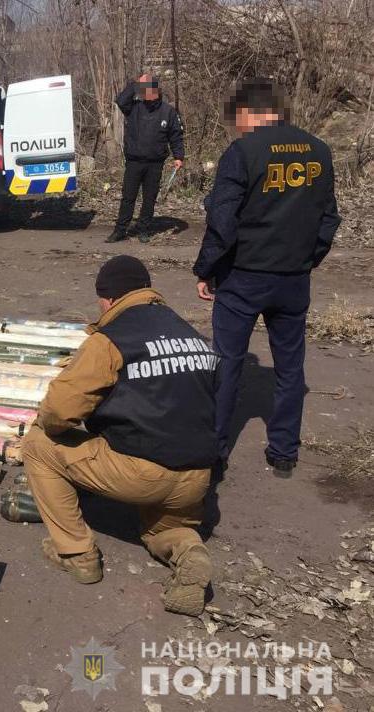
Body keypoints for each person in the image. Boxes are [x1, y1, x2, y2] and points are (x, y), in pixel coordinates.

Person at [22, 256, 218, 616]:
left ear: (108, 299)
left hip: (141, 472)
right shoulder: (194, 337)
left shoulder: (111, 339)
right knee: (164, 529)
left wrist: (60, 432)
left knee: (37, 444)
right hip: (198, 475)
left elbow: (58, 411)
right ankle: (189, 551)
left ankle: (77, 554)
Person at [193, 78, 341, 477]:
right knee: (290, 366)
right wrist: (307, 259)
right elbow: (328, 218)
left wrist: (206, 269)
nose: (235, 127)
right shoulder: (319, 150)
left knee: (226, 362)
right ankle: (283, 453)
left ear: (249, 112)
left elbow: (222, 221)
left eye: (236, 119)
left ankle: (215, 451)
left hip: (244, 276)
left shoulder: (243, 152)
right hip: (293, 278)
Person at [106, 74, 184, 244]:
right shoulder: (134, 107)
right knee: (128, 197)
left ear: (157, 91)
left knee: (149, 199)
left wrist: (178, 156)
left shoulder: (168, 112)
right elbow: (120, 100)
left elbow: (176, 135)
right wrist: (136, 83)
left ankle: (144, 230)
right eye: (144, 89)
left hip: (155, 163)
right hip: (134, 162)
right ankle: (120, 230)